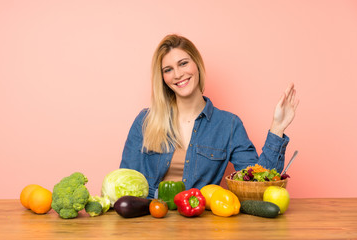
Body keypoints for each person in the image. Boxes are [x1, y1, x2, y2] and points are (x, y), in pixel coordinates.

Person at [120, 34, 299, 198]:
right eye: (168, 69)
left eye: (183, 63)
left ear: (197, 64)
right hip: (151, 222)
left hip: (200, 225)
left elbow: (256, 187)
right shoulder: (145, 121)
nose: (178, 74)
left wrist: (277, 127)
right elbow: (126, 184)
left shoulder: (228, 125)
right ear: (163, 78)